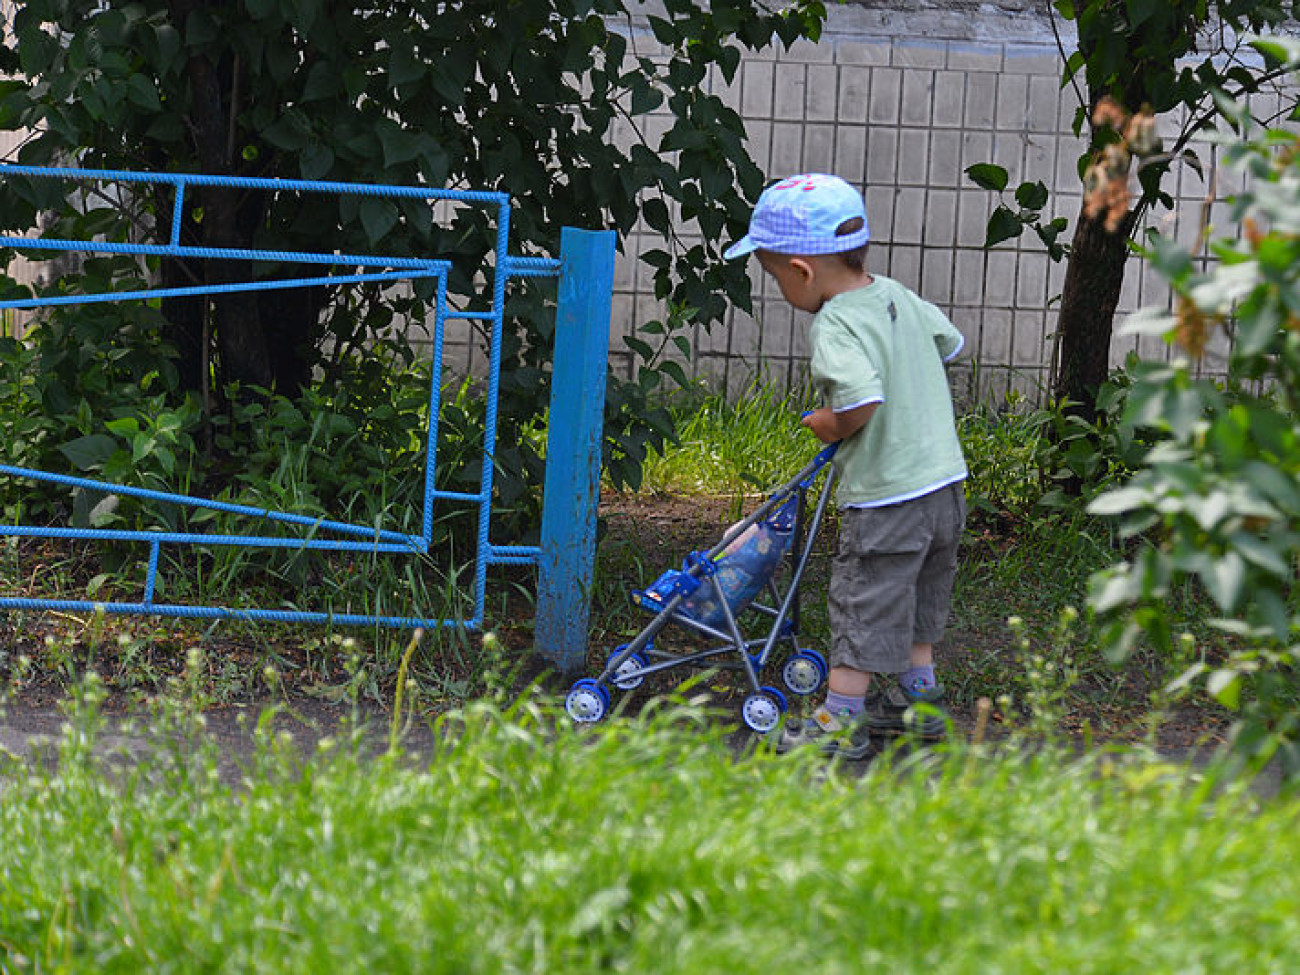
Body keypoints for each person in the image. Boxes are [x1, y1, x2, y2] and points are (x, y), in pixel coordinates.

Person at [723, 173, 967, 757]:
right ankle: (918, 708)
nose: (779, 286)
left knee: (863, 603)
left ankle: (838, 724)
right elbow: (952, 344)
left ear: (801, 271)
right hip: (946, 487)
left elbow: (859, 401)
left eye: (774, 274)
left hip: (888, 496)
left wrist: (824, 422)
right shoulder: (896, 295)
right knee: (912, 600)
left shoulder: (833, 322)